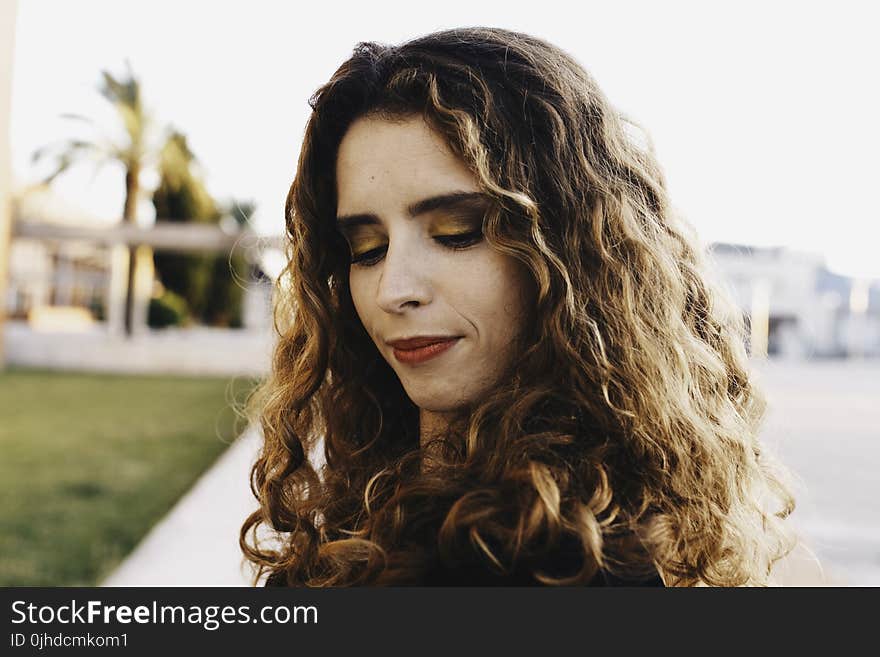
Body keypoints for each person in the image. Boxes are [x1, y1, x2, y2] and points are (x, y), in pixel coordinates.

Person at [240, 26, 796, 587]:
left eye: (457, 232)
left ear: (570, 253)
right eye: (367, 248)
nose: (393, 289)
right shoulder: (378, 484)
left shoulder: (569, 564)